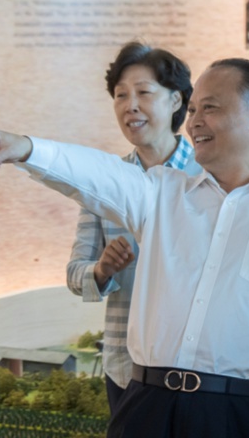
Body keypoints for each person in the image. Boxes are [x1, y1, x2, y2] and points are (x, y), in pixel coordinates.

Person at [0, 58, 249, 438]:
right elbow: (99, 174)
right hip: (145, 407)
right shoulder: (161, 192)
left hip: (238, 415)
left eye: (211, 108)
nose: (194, 121)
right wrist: (27, 149)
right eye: (194, 108)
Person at [66, 41, 202, 414]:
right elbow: (75, 274)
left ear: (176, 100)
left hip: (197, 367)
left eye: (144, 92)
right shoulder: (104, 182)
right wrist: (102, 270)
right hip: (126, 369)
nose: (131, 106)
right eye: (121, 95)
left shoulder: (210, 177)